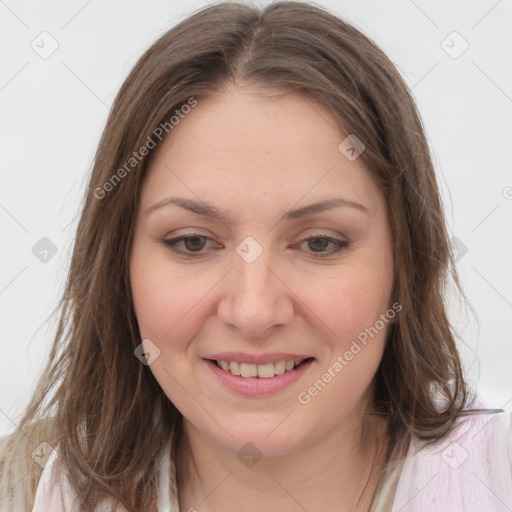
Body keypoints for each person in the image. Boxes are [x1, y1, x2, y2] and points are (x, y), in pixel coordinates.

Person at [1, 2, 511, 511]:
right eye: (193, 242)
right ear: (120, 265)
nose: (253, 311)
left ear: (406, 262)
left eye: (319, 243)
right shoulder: (22, 489)